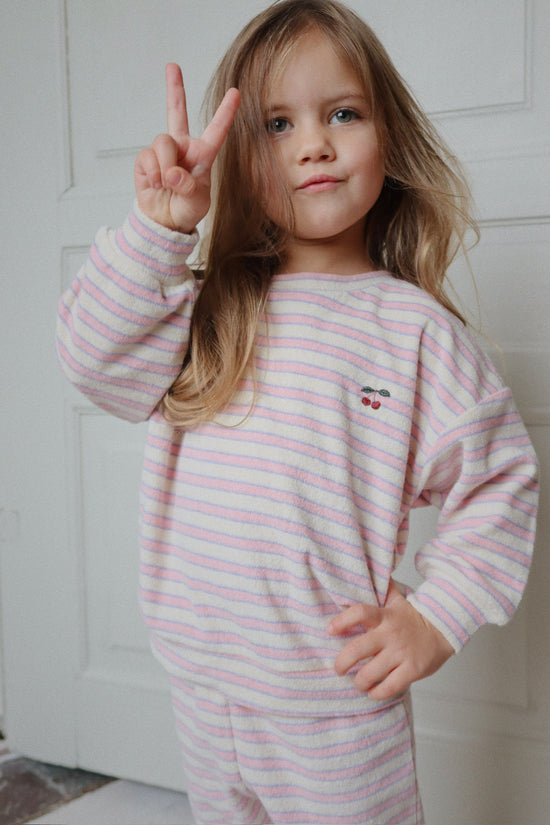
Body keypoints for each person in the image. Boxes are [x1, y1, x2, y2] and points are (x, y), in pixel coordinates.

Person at [56, 1, 539, 822]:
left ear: (389, 135)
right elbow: (92, 364)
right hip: (206, 686)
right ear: (241, 162)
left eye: (341, 113)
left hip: (333, 701)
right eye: (277, 124)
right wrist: (157, 230)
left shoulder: (412, 330)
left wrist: (434, 613)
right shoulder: (202, 304)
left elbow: (500, 481)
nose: (313, 143)